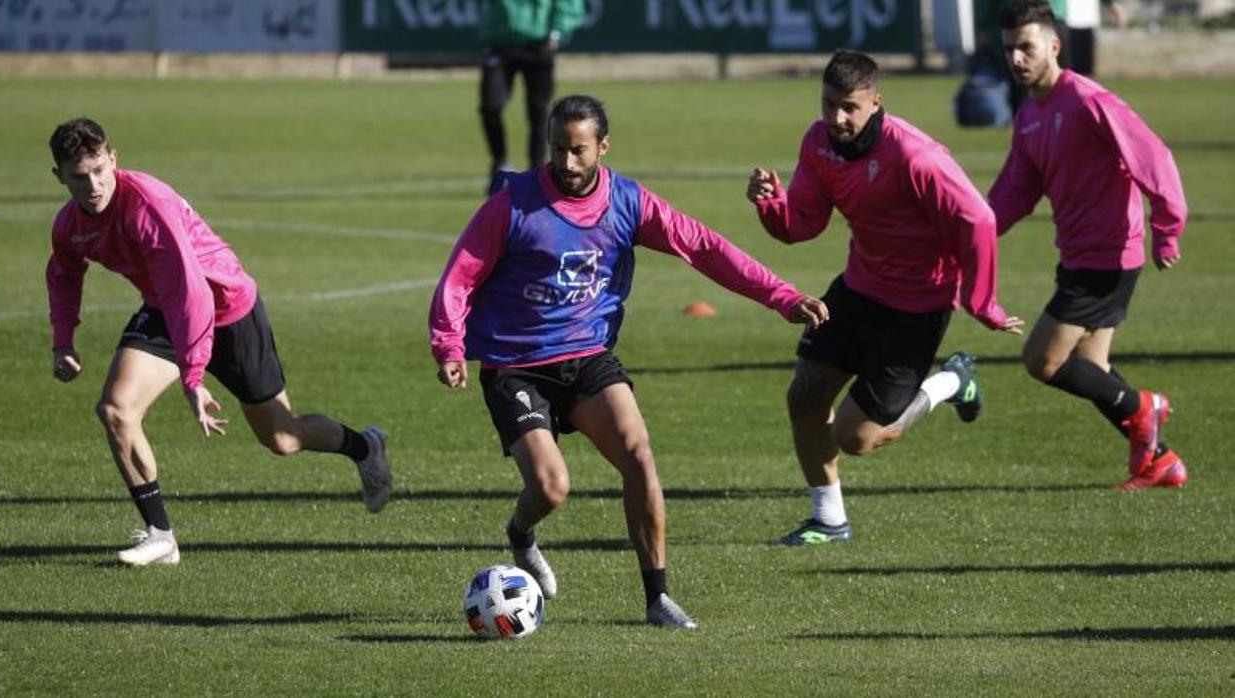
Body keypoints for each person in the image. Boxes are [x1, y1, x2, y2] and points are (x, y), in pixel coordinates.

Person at [430, 94, 828, 629]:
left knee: (639, 454)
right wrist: (449, 346)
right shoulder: (513, 204)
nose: (566, 164)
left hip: (587, 356)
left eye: (578, 151)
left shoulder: (628, 203)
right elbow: (460, 275)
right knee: (551, 488)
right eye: (556, 150)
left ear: (603, 147)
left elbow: (704, 247)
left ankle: (657, 599)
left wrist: (781, 296)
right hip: (515, 363)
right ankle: (522, 532)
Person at [46, 117, 395, 567]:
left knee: (283, 439)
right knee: (116, 409)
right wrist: (62, 342)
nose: (93, 184)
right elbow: (64, 274)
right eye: (78, 176)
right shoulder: (69, 224)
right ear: (59, 177)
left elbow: (190, 290)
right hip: (164, 308)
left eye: (99, 169)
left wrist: (193, 376)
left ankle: (363, 446)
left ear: (114, 159)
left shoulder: (147, 207)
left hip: (226, 307)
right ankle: (161, 535)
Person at [746, 50, 1024, 546]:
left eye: (849, 107)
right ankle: (828, 519)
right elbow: (803, 224)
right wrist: (772, 206)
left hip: (918, 306)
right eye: (828, 104)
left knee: (858, 438)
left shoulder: (916, 156)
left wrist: (983, 303)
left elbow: (978, 221)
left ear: (876, 102)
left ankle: (951, 382)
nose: (836, 118)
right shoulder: (819, 142)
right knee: (805, 396)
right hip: (858, 288)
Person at [990, 0, 1188, 490]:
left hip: (1107, 258)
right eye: (1010, 49)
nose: (1017, 58)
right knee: (1089, 367)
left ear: (1054, 47)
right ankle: (1160, 462)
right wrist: (970, 235)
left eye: (1027, 48)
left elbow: (1153, 157)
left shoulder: (1089, 100)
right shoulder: (1031, 116)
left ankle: (1145, 406)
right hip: (1078, 256)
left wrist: (1167, 227)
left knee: (1042, 360)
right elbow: (1014, 191)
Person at [478, 0, 585, 194]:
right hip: (500, 41)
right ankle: (500, 162)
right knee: (490, 106)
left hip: (539, 41)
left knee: (539, 111)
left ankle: (537, 173)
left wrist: (558, 30)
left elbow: (570, 5)